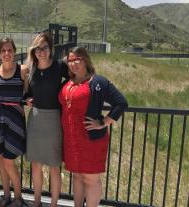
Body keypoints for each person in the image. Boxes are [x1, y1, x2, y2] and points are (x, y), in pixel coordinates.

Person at [58, 47, 128, 207]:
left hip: (90, 140)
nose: (73, 63)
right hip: (71, 139)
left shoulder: (98, 82)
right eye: (69, 60)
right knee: (76, 176)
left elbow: (121, 103)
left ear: (85, 60)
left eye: (77, 59)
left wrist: (103, 122)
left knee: (91, 179)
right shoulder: (67, 83)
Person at [24, 32, 68, 207]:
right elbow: (28, 94)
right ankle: (37, 202)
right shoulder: (31, 70)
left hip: (54, 120)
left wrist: (62, 94)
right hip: (35, 119)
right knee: (36, 165)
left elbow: (73, 81)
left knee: (54, 166)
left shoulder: (59, 67)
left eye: (44, 48)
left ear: (50, 49)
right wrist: (26, 100)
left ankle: (54, 204)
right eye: (37, 49)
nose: (41, 52)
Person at [0, 37, 28, 207]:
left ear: (14, 52)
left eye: (10, 50)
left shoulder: (23, 70)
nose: (7, 53)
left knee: (9, 161)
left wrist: (29, 99)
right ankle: (6, 196)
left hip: (15, 120)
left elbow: (28, 92)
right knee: (1, 160)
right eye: (3, 50)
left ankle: (18, 197)